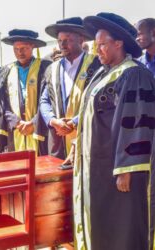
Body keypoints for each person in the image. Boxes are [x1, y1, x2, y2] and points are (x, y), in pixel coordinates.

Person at [73, 12, 155, 250]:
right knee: (103, 224)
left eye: (102, 45)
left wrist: (126, 169)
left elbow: (137, 123)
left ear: (118, 43)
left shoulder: (134, 74)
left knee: (122, 227)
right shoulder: (104, 73)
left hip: (119, 173)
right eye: (96, 46)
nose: (97, 51)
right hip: (99, 167)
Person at [40, 17, 100, 160]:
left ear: (81, 39)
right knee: (58, 180)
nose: (63, 44)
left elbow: (98, 100)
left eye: (67, 40)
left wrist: (75, 121)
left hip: (86, 136)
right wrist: (52, 121)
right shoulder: (52, 69)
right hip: (57, 139)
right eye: (60, 41)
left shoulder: (96, 65)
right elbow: (44, 100)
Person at [0, 29, 51, 154]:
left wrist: (34, 123)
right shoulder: (6, 71)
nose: (20, 52)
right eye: (16, 49)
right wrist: (16, 122)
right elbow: (2, 103)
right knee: (19, 168)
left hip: (40, 130)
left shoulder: (45, 67)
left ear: (33, 46)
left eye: (24, 48)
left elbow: (51, 99)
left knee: (42, 168)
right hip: (17, 129)